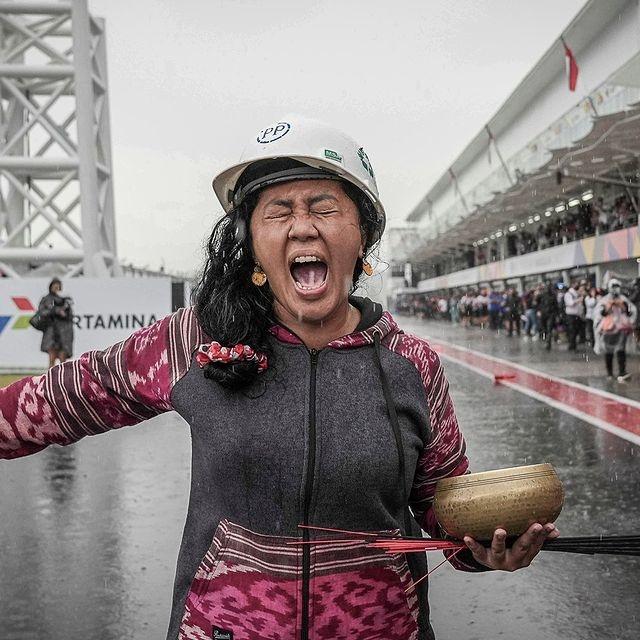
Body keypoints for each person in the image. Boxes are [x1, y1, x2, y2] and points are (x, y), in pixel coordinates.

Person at [0, 116, 556, 640]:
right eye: (278, 211)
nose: (302, 226)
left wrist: (486, 548)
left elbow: (444, 514)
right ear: (252, 247)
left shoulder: (413, 365)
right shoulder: (196, 340)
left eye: (324, 207)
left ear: (362, 241)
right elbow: (60, 399)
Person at [593, 278, 637, 382]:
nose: (615, 289)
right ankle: (609, 372)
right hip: (608, 329)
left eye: (617, 287)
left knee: (621, 350)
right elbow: (600, 314)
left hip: (621, 328)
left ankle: (622, 371)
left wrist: (622, 306)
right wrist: (609, 306)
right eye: (614, 287)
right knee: (609, 351)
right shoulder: (604, 300)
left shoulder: (623, 299)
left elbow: (630, 311)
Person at [37, 277, 74, 368]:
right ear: (51, 287)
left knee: (63, 360)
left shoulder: (65, 300)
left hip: (63, 333)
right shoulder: (46, 299)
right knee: (52, 359)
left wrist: (66, 310)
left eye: (58, 286)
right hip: (52, 332)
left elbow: (70, 316)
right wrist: (55, 310)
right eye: (55, 286)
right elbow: (42, 312)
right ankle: (50, 379)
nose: (56, 288)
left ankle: (62, 379)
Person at [538, 282, 559, 351]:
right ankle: (548, 339)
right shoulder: (542, 295)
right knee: (545, 329)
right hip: (544, 314)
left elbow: (556, 306)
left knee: (549, 328)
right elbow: (537, 303)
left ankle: (548, 342)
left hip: (550, 314)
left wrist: (557, 315)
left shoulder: (553, 295)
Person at [563, 281, 582, 351]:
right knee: (572, 331)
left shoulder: (576, 294)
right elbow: (570, 303)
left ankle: (572, 345)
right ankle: (573, 346)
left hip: (576, 315)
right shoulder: (568, 294)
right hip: (570, 315)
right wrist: (578, 300)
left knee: (576, 330)